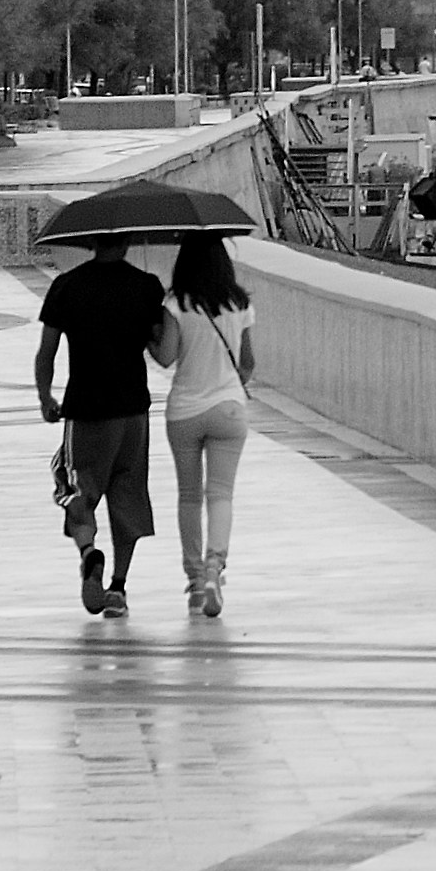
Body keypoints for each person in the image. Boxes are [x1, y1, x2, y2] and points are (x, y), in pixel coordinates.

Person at [35, 234, 171, 618]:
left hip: (87, 410)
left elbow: (46, 352)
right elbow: (161, 348)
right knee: (127, 495)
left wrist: (46, 398)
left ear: (91, 242)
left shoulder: (67, 286)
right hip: (133, 413)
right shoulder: (146, 286)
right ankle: (118, 587)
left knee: (75, 487)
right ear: (127, 243)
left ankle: (89, 553)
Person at [161, 233, 256, 618]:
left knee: (189, 496)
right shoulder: (239, 303)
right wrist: (229, 386)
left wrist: (150, 337)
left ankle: (196, 580)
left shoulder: (175, 303)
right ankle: (216, 566)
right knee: (221, 495)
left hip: (185, 410)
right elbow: (248, 363)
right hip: (229, 409)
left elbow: (166, 357)